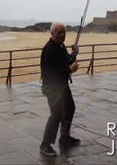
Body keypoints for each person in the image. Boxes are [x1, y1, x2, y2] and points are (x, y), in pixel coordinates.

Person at [39, 22, 80, 156]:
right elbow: (51, 72)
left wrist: (74, 53)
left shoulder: (60, 46)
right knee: (56, 113)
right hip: (52, 87)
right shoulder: (49, 49)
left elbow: (66, 60)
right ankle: (45, 144)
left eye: (64, 32)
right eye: (59, 32)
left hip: (62, 84)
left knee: (70, 108)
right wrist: (69, 69)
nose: (62, 35)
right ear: (52, 34)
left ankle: (64, 137)